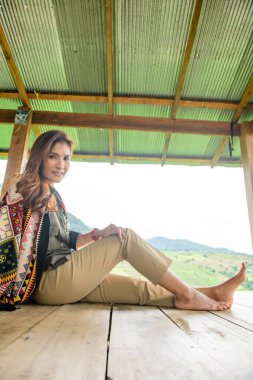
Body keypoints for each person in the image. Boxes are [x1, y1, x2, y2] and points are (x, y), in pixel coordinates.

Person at [0, 130, 246, 311]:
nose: (61, 165)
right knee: (124, 239)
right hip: (49, 282)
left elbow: (66, 240)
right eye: (53, 157)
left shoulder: (54, 196)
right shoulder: (23, 187)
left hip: (64, 278)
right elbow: (5, 234)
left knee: (138, 289)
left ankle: (211, 293)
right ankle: (189, 295)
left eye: (66, 158)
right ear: (40, 157)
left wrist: (96, 234)